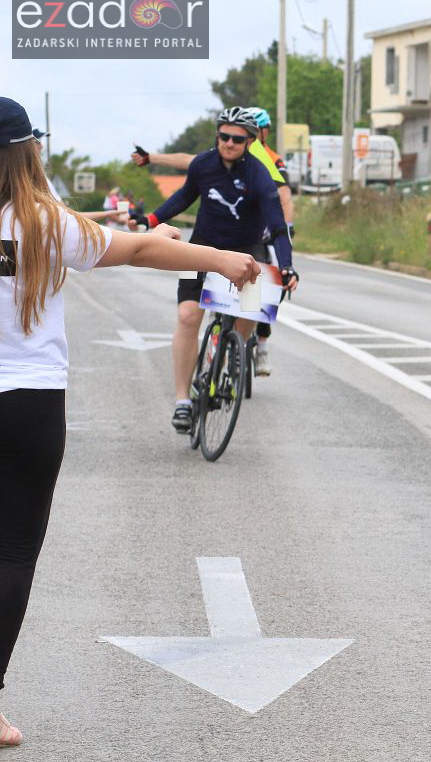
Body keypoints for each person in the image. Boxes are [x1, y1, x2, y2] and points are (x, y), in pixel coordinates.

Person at [0, 96, 258, 747]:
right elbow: (138, 250)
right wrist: (219, 259)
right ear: (30, 152)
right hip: (29, 404)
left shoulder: (50, 221)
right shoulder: (44, 222)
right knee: (11, 555)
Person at [135, 106, 298, 432]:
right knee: (186, 317)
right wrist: (151, 219)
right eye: (223, 136)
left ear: (250, 142)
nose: (228, 143)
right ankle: (183, 401)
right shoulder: (203, 165)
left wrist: (288, 266)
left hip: (247, 253)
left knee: (254, 309)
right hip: (198, 250)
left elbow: (278, 227)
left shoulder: (259, 175)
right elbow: (184, 197)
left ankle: (237, 351)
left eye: (237, 139)